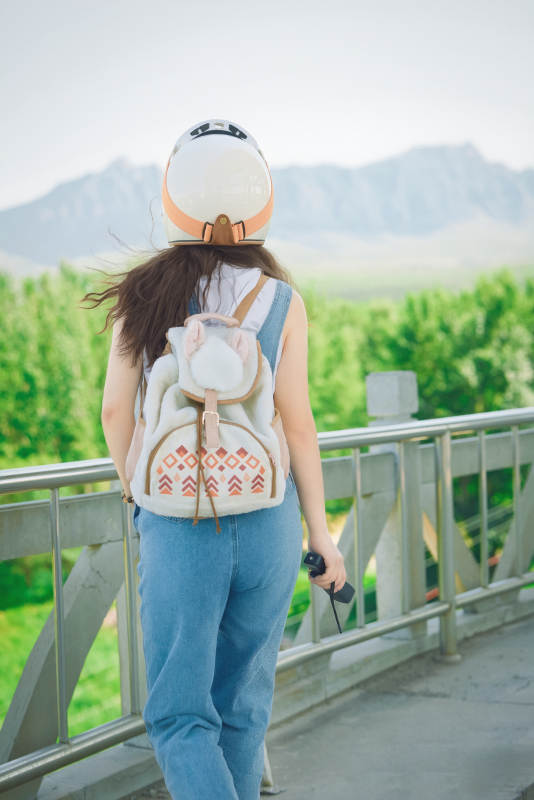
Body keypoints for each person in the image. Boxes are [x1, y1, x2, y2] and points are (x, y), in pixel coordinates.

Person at [90, 119, 347, 799]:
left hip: (179, 521)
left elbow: (116, 414)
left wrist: (136, 488)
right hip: (267, 519)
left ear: (174, 196)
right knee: (241, 709)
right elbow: (299, 428)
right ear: (260, 199)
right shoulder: (282, 300)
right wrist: (320, 534)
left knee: (180, 715)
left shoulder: (142, 295)